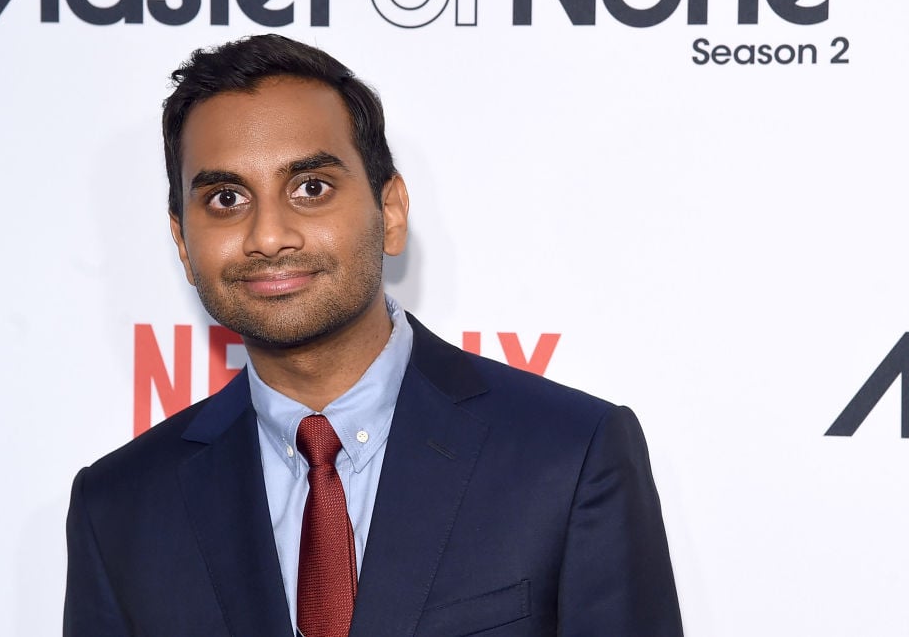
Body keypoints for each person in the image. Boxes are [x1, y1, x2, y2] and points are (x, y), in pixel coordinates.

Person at [63, 34, 683, 636]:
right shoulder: (119, 508)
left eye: (310, 188)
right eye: (226, 198)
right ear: (182, 241)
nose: (269, 236)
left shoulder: (569, 456)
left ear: (391, 212)